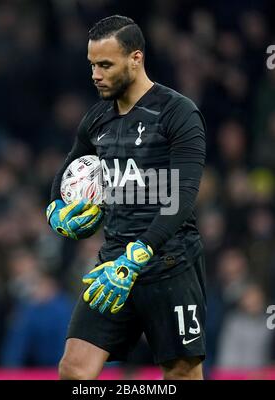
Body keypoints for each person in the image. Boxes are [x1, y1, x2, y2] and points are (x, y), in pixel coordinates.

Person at [46, 15, 206, 380]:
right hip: (112, 267)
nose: (95, 75)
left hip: (170, 264)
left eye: (105, 65)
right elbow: (68, 168)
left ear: (136, 58)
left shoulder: (177, 113)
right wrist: (56, 208)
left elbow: (182, 197)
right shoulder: (97, 118)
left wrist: (141, 253)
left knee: (182, 373)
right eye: (92, 65)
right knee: (73, 369)